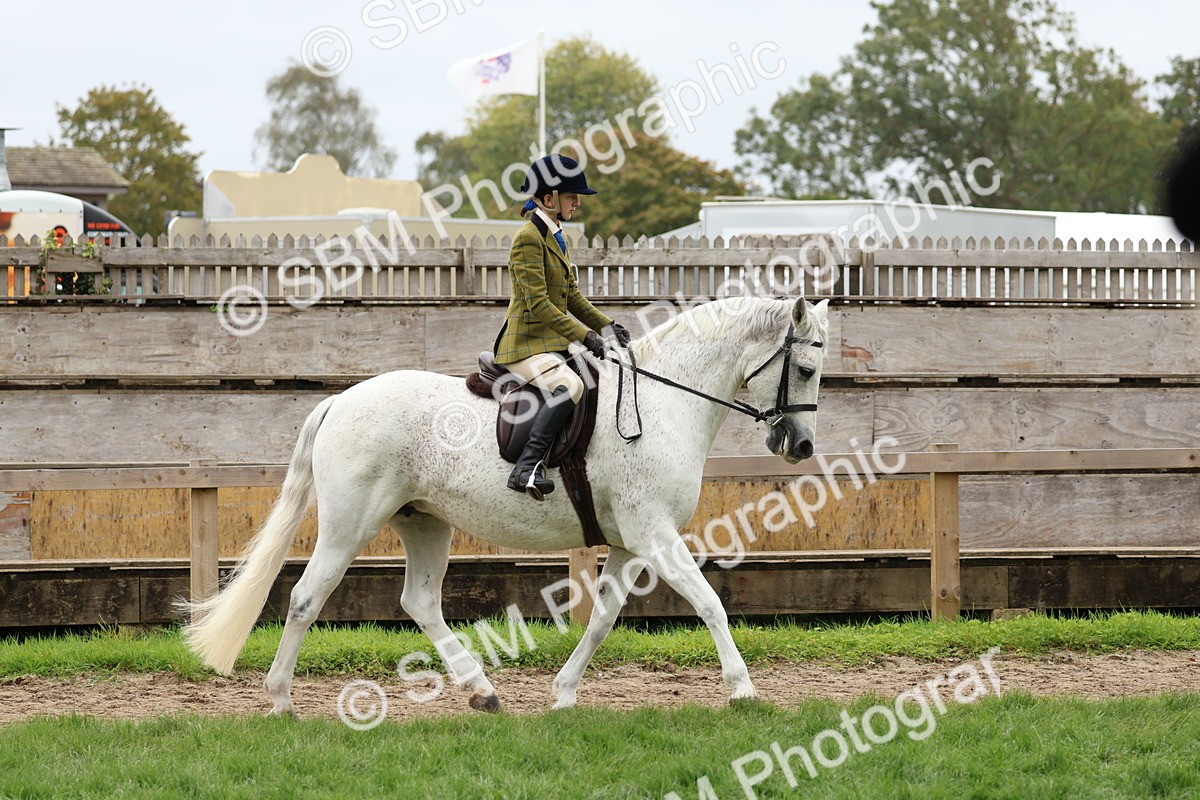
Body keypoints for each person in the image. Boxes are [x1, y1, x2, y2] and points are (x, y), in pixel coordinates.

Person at [493, 153, 631, 500]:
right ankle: (526, 467)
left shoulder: (555, 236)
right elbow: (539, 304)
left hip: (550, 344)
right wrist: (586, 336)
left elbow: (572, 297)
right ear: (549, 198)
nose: (577, 203)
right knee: (570, 385)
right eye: (572, 196)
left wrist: (607, 326)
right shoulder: (528, 238)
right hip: (524, 345)